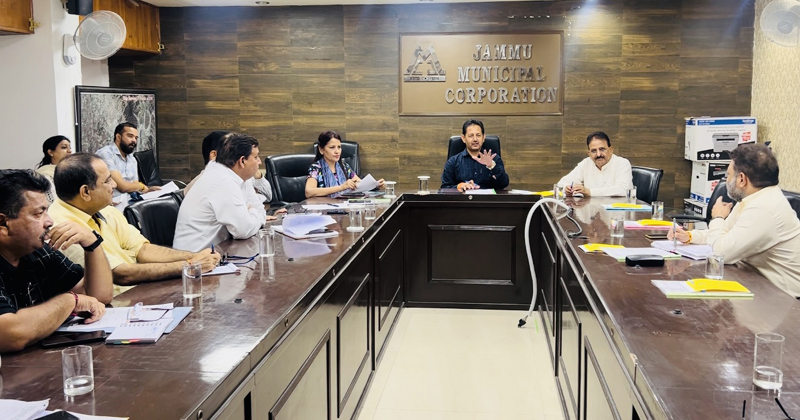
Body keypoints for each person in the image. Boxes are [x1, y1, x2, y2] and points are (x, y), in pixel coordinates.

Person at [49, 153, 220, 295]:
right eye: (107, 181)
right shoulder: (61, 227)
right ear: (85, 192)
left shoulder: (106, 211)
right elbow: (119, 274)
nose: (114, 185)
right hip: (116, 305)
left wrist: (194, 257)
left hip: (140, 292)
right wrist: (190, 265)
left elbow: (142, 249)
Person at [0, 169, 113, 352]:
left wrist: (92, 243)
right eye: (39, 214)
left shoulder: (39, 252)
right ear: (3, 224)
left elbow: (99, 296)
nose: (49, 221)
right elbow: (10, 334)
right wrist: (71, 301)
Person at [668, 144, 800, 297]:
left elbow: (722, 253)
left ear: (742, 179)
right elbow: (726, 233)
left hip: (782, 299)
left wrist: (717, 217)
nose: (726, 180)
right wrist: (690, 236)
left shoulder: (764, 208)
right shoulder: (754, 198)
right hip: (754, 281)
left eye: (728, 175)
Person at [173, 134, 272, 252]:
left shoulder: (238, 176)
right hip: (195, 262)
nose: (259, 161)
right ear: (242, 161)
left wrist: (251, 213)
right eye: (256, 157)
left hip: (220, 252)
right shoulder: (222, 180)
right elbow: (244, 230)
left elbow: (259, 209)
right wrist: (253, 212)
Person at [185, 130, 275, 203]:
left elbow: (267, 196)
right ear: (214, 155)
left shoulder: (237, 174)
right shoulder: (212, 181)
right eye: (232, 148)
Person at [306, 130, 384, 198]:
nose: (337, 151)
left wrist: (375, 185)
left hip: (344, 206)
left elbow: (360, 183)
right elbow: (309, 192)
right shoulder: (316, 168)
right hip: (325, 209)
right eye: (332, 147)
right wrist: (341, 187)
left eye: (339, 147)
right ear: (321, 150)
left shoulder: (343, 165)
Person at [441, 119, 509, 192]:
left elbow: (503, 184)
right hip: (463, 202)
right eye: (471, 136)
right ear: (463, 138)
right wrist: (459, 186)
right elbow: (444, 189)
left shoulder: (494, 159)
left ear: (483, 137)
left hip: (488, 202)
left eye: (478, 135)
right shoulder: (453, 162)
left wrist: (492, 166)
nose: (475, 139)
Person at [557, 131, 632, 197]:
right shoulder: (586, 163)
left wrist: (589, 192)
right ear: (589, 153)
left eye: (602, 149)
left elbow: (623, 189)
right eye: (593, 151)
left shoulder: (622, 163)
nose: (598, 154)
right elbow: (561, 184)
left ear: (611, 149)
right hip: (591, 210)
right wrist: (567, 188)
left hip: (616, 211)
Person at [96, 122, 160, 198]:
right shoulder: (106, 154)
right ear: (118, 137)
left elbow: (135, 185)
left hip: (132, 200)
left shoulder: (132, 158)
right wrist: (141, 186)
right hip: (113, 202)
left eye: (136, 138)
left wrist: (147, 190)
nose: (134, 141)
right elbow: (122, 187)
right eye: (130, 136)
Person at [35, 135, 73, 203]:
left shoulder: (73, 171)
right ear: (50, 152)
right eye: (64, 147)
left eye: (70, 147)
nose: (69, 151)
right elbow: (52, 201)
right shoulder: (45, 174)